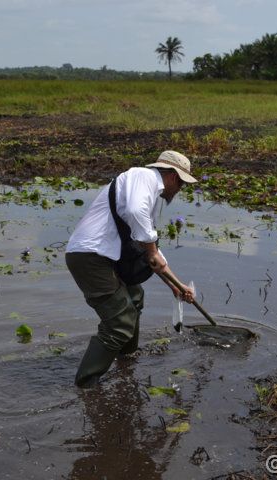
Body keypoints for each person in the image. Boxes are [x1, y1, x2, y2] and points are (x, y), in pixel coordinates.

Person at [65, 150, 197, 387]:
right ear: (174, 177)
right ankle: (86, 385)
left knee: (135, 296)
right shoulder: (143, 176)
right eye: (181, 185)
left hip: (105, 256)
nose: (179, 191)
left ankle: (126, 360)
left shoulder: (150, 195)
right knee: (119, 322)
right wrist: (153, 253)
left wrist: (176, 286)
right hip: (90, 257)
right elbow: (146, 239)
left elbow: (151, 250)